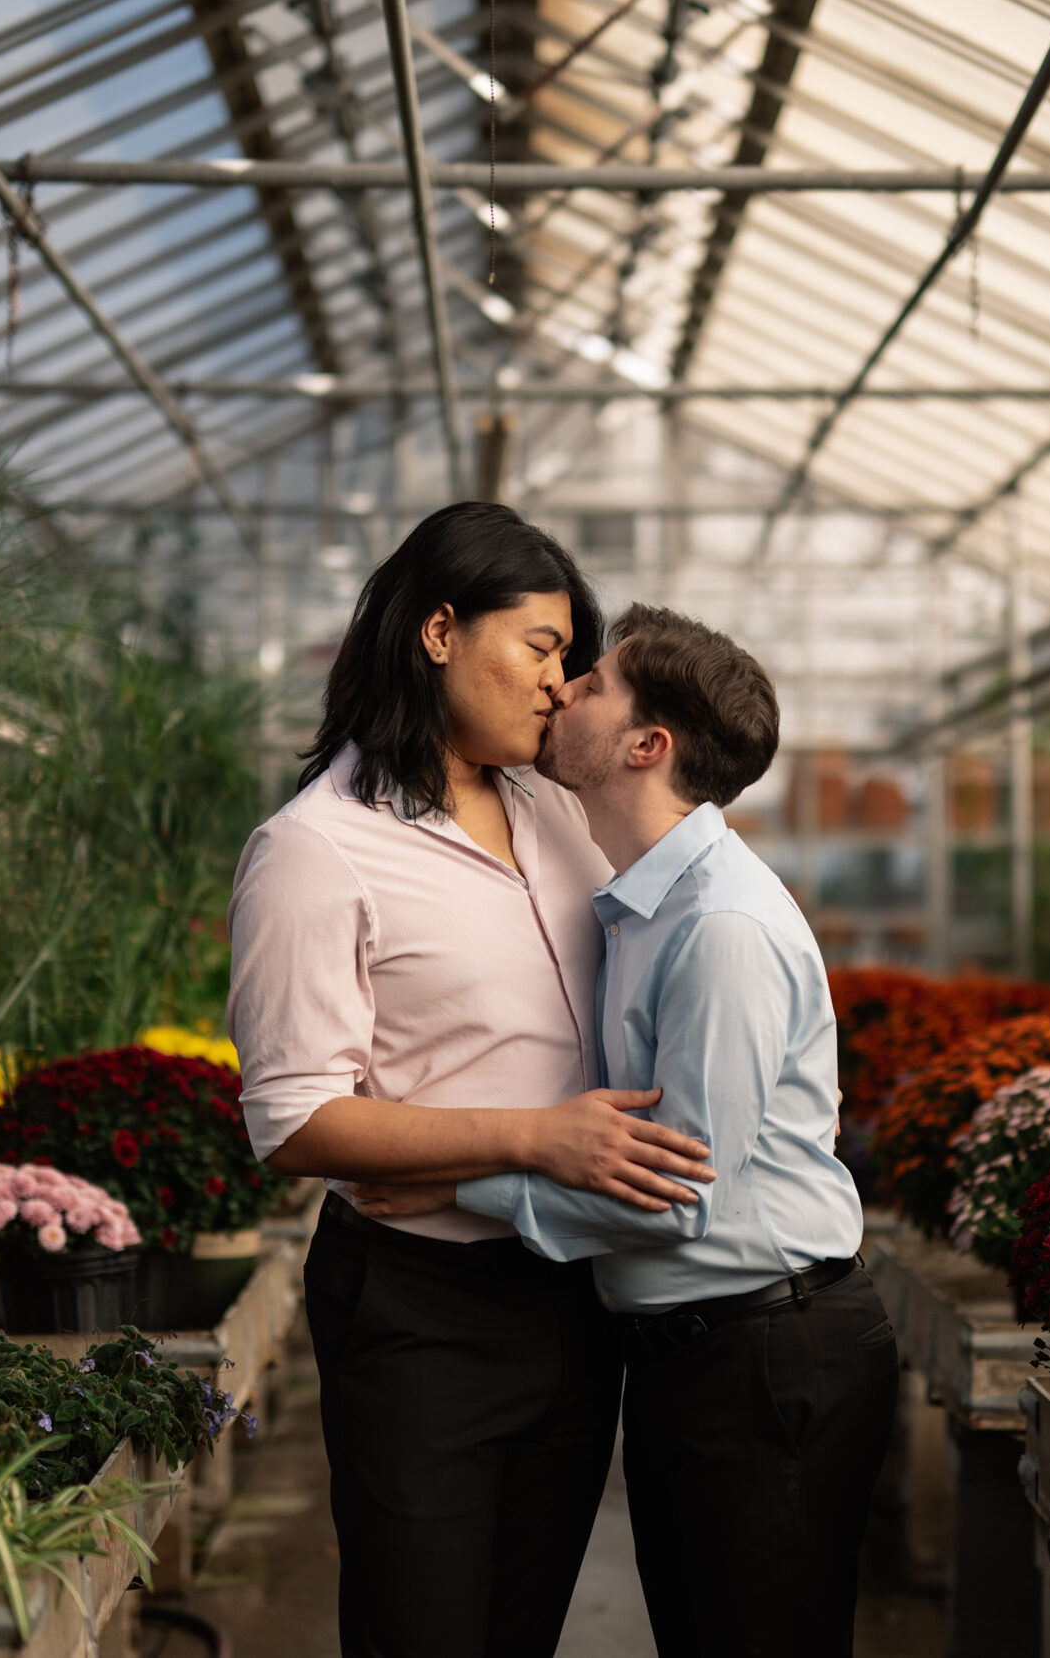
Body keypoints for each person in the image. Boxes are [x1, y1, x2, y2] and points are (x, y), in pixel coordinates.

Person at [225, 505, 717, 1658]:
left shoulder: (557, 811)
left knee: (520, 1628)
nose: (559, 684)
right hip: (420, 1314)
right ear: (439, 630)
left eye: (569, 660)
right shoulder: (316, 850)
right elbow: (293, 1120)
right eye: (540, 647)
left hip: (568, 1294)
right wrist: (528, 1141)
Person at [359, 605, 897, 1658]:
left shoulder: (719, 929)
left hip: (764, 1354)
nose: (563, 688)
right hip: (699, 1352)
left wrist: (452, 1181)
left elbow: (677, 1193)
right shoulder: (644, 906)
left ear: (646, 746)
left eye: (593, 681)